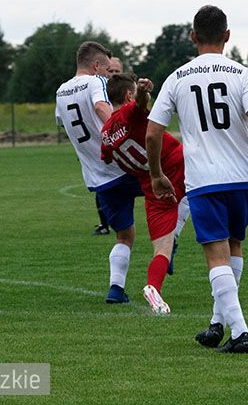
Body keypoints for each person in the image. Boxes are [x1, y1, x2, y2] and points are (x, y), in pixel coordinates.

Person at [145, 5, 248, 354]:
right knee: (233, 247)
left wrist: (157, 175)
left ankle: (240, 333)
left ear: (193, 37)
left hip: (205, 179)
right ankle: (217, 323)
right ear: (227, 36)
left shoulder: (177, 78)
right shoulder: (243, 74)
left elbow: (152, 133)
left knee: (215, 256)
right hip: (244, 177)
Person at [55, 41, 142, 303]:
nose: (109, 76)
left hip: (98, 177)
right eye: (106, 69)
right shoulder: (96, 83)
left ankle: (116, 289)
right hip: (123, 165)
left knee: (124, 234)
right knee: (180, 182)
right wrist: (120, 131)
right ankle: (171, 247)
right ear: (95, 66)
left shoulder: (61, 92)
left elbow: (62, 123)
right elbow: (102, 108)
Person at [100, 73, 190, 315]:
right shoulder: (128, 112)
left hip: (152, 186)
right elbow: (139, 104)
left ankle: (154, 288)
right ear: (128, 95)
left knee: (162, 250)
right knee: (209, 187)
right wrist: (143, 91)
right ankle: (179, 232)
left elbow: (106, 157)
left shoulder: (105, 134)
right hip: (176, 165)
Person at [91, 56, 125, 235]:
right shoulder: (97, 90)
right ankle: (105, 223)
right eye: (110, 71)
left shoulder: (127, 90)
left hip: (123, 143)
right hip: (102, 144)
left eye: (116, 71)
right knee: (103, 182)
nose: (113, 74)